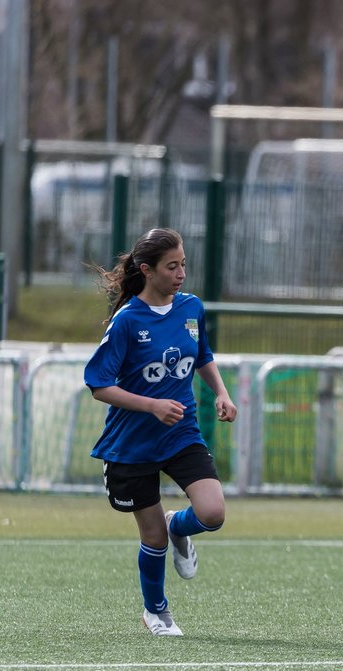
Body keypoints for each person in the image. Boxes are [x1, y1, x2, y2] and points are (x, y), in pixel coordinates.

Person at [83, 227, 237, 637]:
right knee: (151, 536)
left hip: (180, 432)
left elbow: (201, 355)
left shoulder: (191, 309)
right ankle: (156, 611)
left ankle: (178, 526)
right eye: (172, 266)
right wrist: (151, 404)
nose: (181, 272)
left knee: (213, 512)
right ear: (147, 271)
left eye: (184, 263)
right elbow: (99, 384)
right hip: (131, 443)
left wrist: (220, 392)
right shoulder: (127, 321)